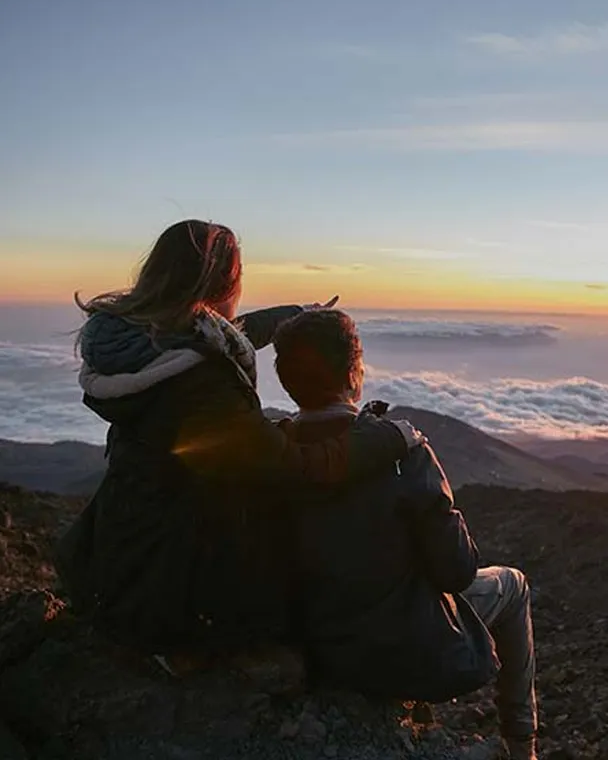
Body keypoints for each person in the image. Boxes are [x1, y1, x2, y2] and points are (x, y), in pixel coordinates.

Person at [56, 219, 422, 662]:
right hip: (176, 595)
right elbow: (291, 469)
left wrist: (293, 315)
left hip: (121, 559)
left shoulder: (132, 349)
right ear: (222, 284)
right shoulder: (203, 384)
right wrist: (387, 439)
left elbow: (213, 334)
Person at [273, 309, 538, 760]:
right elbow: (456, 571)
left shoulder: (271, 454)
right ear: (354, 373)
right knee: (513, 586)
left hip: (312, 644)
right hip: (400, 648)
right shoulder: (401, 454)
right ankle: (522, 746)